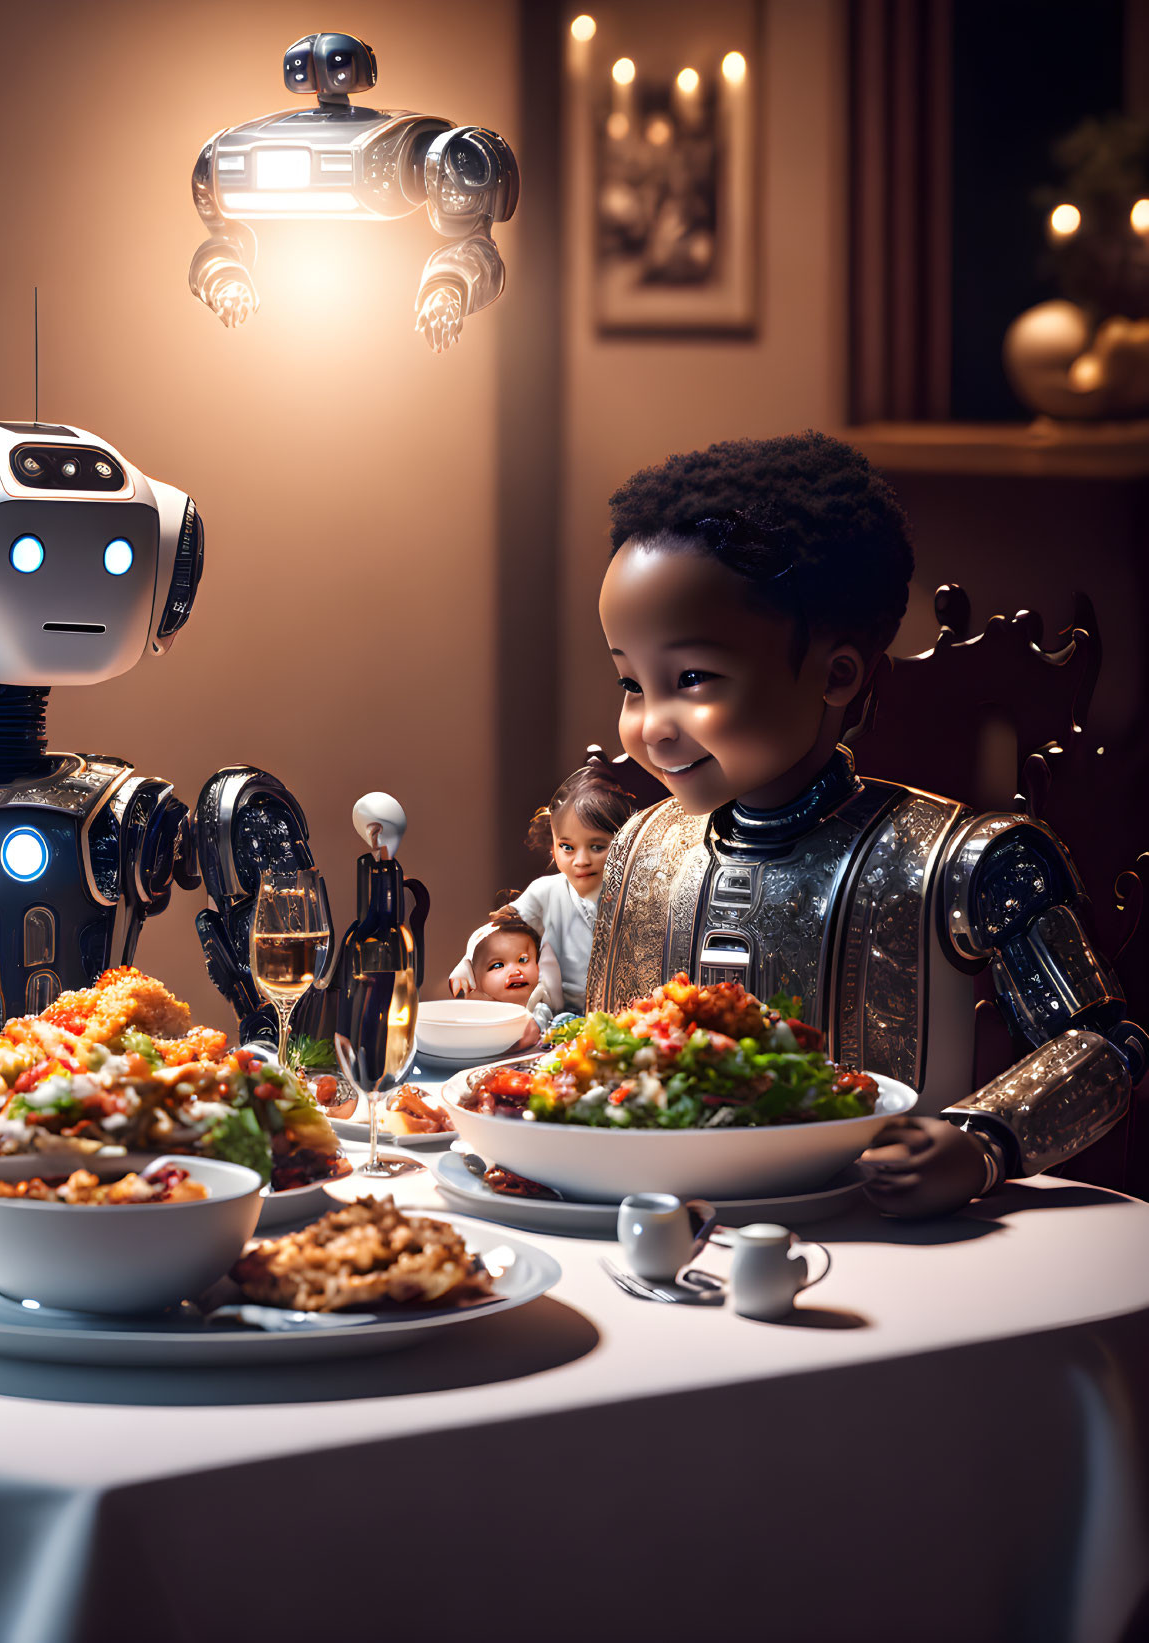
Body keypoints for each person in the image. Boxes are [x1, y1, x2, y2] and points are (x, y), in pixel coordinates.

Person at [588, 431, 1145, 1217]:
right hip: (649, 1232)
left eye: (690, 679)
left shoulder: (965, 861)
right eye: (631, 683)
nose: (651, 727)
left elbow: (1107, 1048)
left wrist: (983, 1141)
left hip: (887, 1247)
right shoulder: (643, 848)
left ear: (837, 674)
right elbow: (593, 1047)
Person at [450, 768, 640, 1015]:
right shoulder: (547, 891)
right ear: (553, 846)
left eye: (596, 846)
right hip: (558, 1017)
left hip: (630, 1015)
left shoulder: (639, 895)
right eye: (567, 847)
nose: (580, 861)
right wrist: (467, 959)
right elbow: (497, 926)